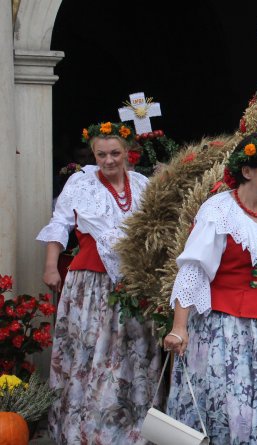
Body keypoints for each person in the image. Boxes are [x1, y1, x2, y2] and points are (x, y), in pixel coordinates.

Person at [164, 132, 257, 444]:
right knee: (227, 403)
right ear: (247, 171)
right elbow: (193, 270)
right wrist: (179, 328)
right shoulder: (218, 212)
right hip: (225, 328)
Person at [37, 121, 161, 444]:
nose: (108, 160)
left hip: (132, 285)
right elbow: (59, 224)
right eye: (101, 154)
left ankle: (132, 430)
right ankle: (89, 430)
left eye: (115, 153)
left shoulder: (143, 184)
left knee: (130, 354)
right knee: (91, 354)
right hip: (89, 286)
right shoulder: (80, 184)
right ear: (93, 154)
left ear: (127, 152)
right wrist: (52, 267)